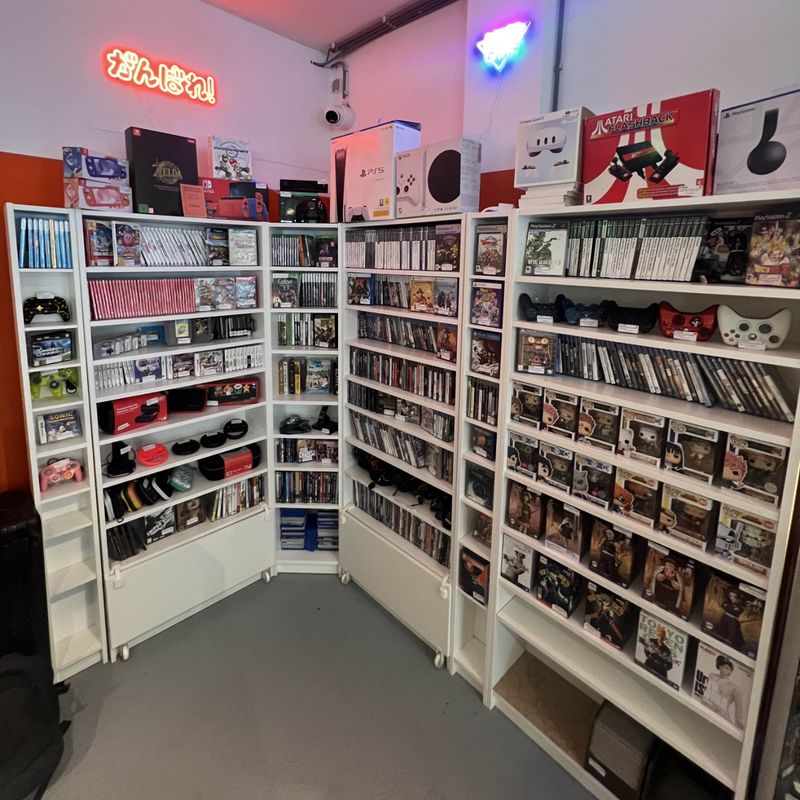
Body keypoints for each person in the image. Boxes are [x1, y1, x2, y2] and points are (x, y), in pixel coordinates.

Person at [699, 655, 747, 729]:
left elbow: (739, 709)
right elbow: (706, 692)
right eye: (723, 665)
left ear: (730, 671)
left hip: (722, 718)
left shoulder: (734, 687)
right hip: (705, 710)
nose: (725, 668)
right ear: (719, 666)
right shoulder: (712, 676)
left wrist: (738, 726)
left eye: (728, 667)